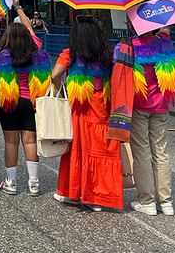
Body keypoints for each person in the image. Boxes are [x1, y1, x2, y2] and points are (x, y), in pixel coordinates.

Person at [50, 16, 121, 211]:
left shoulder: (70, 54)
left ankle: (73, 192)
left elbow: (55, 75)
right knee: (100, 150)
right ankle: (97, 196)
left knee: (77, 150)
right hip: (102, 107)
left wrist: (62, 90)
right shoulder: (107, 54)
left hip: (80, 108)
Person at [121, 25, 175, 217]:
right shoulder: (164, 44)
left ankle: (147, 201)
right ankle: (166, 202)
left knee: (141, 154)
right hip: (161, 106)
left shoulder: (127, 46)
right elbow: (166, 31)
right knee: (161, 152)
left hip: (138, 106)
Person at [0, 0, 50, 196]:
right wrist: (18, 7)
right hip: (31, 101)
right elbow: (29, 29)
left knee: (11, 142)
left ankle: (11, 182)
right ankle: (34, 183)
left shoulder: (3, 55)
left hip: (9, 101)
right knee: (30, 141)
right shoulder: (35, 50)